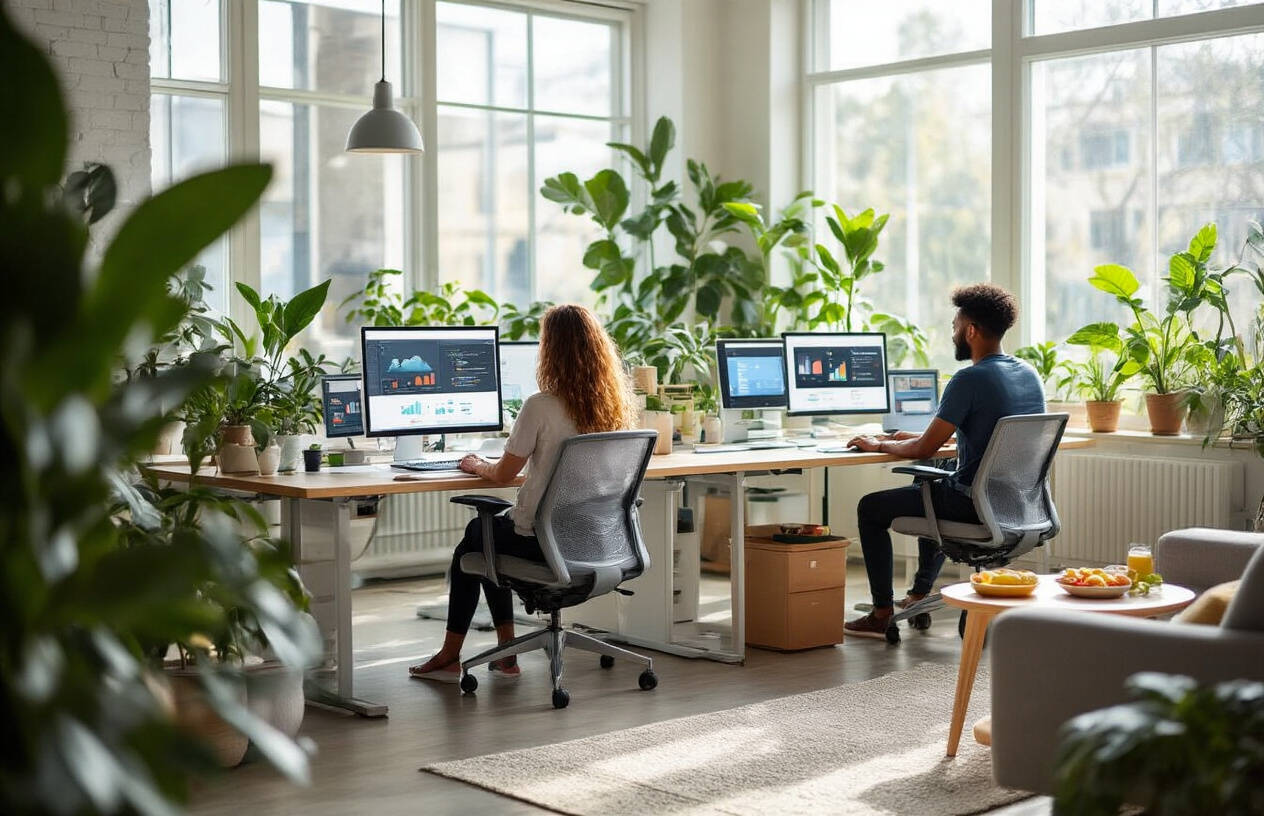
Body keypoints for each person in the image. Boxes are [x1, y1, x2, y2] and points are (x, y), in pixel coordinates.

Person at [408, 304, 639, 681]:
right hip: (596, 539)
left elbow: (502, 473)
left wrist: (474, 465)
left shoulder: (541, 406)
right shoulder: (613, 407)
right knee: (489, 534)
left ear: (550, 352)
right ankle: (505, 654)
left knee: (476, 538)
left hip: (546, 542)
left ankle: (455, 655)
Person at [842, 283, 1045, 639]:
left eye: (955, 326)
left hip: (973, 504)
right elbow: (992, 435)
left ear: (971, 331)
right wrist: (912, 439)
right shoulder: (1028, 374)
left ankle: (880, 613)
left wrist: (877, 445)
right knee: (931, 481)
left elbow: (923, 451)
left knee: (871, 508)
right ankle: (920, 593)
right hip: (1017, 503)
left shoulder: (969, 378)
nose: (953, 333)